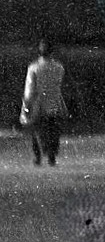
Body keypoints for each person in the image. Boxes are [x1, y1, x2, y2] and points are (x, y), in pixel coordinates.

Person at [20, 38, 69, 167]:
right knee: (53, 130)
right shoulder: (59, 68)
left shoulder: (34, 68)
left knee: (36, 131)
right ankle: (51, 156)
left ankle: (38, 157)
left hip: (38, 103)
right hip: (53, 102)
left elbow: (30, 89)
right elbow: (58, 86)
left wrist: (26, 105)